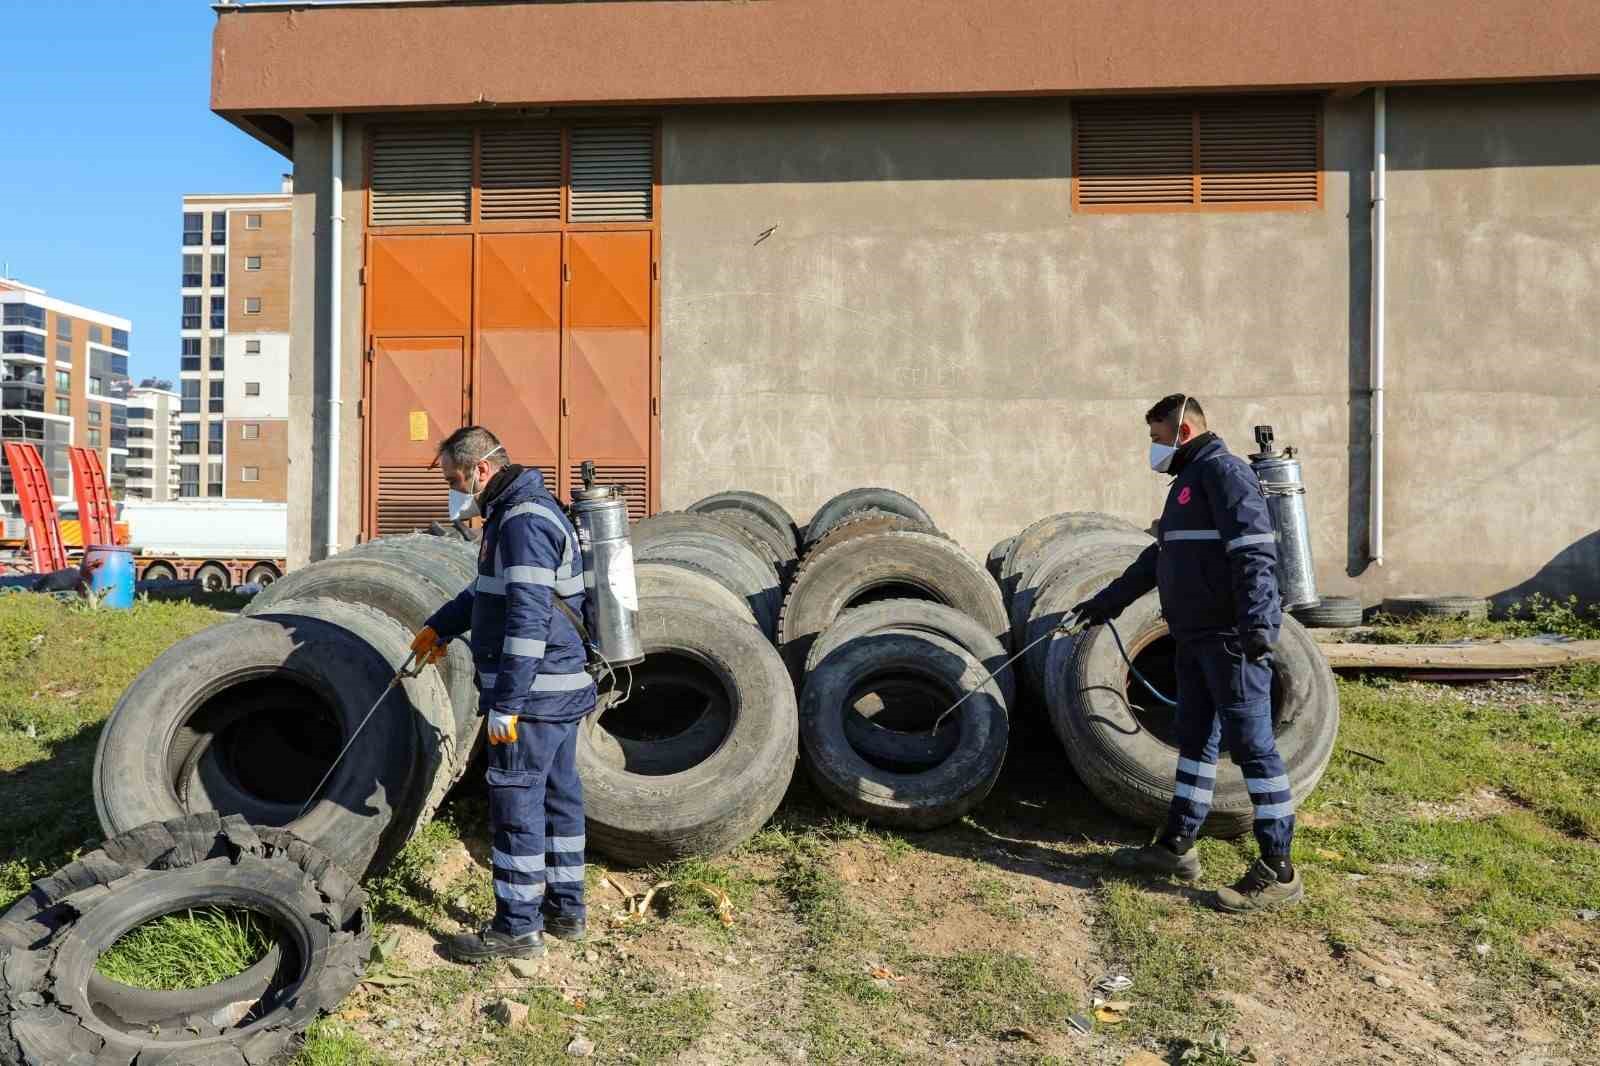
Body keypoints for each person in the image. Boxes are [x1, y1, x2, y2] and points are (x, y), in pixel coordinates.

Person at [1072, 394, 1301, 913]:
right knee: (1194, 744)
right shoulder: (1188, 484)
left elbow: (1255, 552)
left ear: (1184, 430)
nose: (1153, 450)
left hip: (1229, 639)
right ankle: (1176, 848)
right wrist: (1103, 604)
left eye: (1157, 438)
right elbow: (1160, 559)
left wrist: (1260, 626)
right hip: (1193, 639)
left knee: (1253, 750)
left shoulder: (1225, 474)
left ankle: (1278, 867)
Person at [409, 426, 596, 959]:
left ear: (480, 471)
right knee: (560, 798)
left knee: (517, 805)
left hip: (533, 699)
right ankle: (566, 910)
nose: (453, 489)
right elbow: (488, 593)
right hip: (558, 692)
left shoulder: (523, 521)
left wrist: (507, 704)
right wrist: (439, 626)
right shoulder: (518, 514)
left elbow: (528, 619)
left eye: (454, 478)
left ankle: (517, 927)